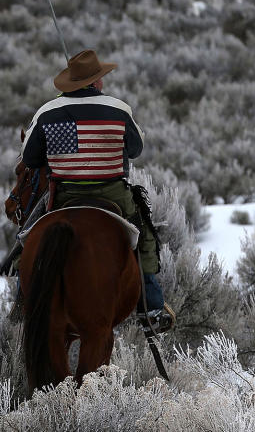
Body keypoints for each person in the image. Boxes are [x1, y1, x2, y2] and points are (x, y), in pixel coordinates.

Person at [21, 49, 174, 333]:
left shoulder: (47, 112)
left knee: (28, 237)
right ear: (97, 81)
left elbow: (30, 159)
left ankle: (23, 298)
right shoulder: (119, 108)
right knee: (144, 237)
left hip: (64, 195)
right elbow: (136, 149)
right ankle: (151, 308)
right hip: (113, 192)